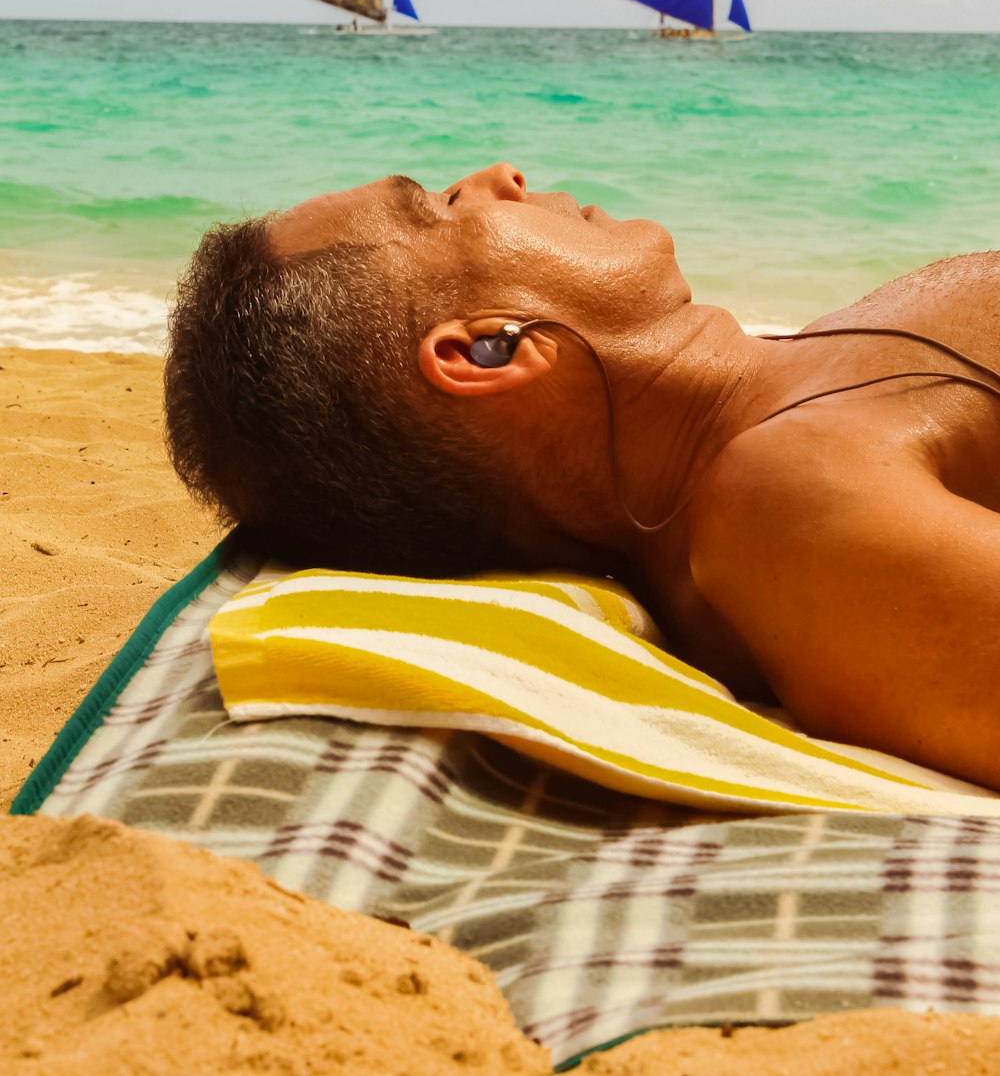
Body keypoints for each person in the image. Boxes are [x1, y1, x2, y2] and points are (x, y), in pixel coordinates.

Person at [165, 163, 1000, 791]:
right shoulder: (786, 504)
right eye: (444, 206)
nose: (500, 176)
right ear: (487, 349)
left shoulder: (792, 404)